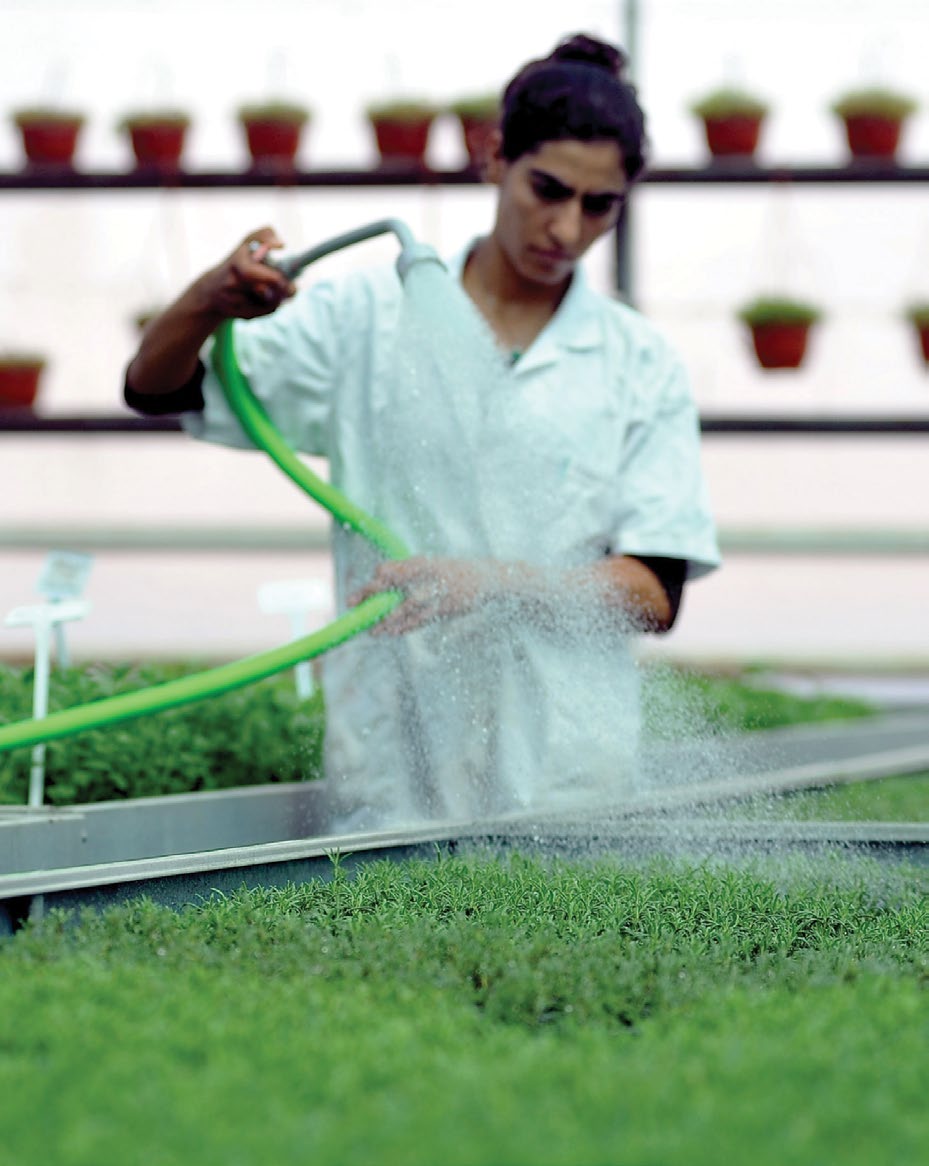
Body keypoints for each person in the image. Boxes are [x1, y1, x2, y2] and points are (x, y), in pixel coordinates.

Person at [124, 33, 720, 832]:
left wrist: (495, 581)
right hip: (392, 759)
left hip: (564, 771)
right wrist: (208, 299)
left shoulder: (634, 361)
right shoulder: (364, 317)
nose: (566, 229)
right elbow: (158, 389)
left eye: (598, 206)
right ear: (492, 157)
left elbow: (654, 593)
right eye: (546, 189)